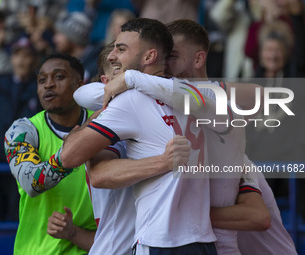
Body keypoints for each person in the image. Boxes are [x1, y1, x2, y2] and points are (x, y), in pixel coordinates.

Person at [60, 18, 223, 254]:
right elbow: (83, 96)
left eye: (121, 49)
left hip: (166, 243)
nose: (112, 56)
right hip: (194, 241)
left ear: (149, 56)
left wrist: (131, 79)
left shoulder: (135, 99)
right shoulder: (181, 93)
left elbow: (69, 156)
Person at [4, 54, 96, 254]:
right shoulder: (22, 130)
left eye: (59, 77)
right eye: (42, 80)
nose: (49, 85)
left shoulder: (103, 123)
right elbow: (31, 182)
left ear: (80, 85)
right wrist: (70, 152)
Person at [0, 37, 40, 221]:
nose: (22, 60)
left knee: (18, 219)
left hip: (23, 170)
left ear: (34, 60)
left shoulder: (39, 90)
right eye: (17, 55)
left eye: (27, 55)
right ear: (11, 59)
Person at [53, 12, 102, 83]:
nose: (55, 39)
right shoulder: (62, 62)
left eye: (60, 34)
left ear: (74, 38)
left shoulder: (97, 67)